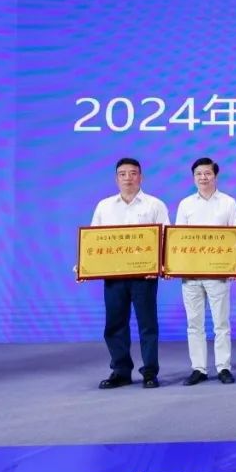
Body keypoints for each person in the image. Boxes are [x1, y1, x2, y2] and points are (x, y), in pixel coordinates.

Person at [89, 158, 170, 389]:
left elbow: (166, 239)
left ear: (140, 177)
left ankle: (150, 372)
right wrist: (86, 265)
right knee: (115, 324)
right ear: (116, 179)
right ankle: (121, 371)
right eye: (123, 174)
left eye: (133, 173)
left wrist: (161, 266)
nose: (128, 178)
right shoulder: (104, 206)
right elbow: (93, 241)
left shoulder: (155, 205)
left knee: (148, 325)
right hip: (114, 276)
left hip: (145, 276)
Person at [175, 157, 236, 386]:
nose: (203, 177)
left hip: (218, 274)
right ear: (193, 177)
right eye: (198, 174)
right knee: (194, 323)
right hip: (191, 275)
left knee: (221, 323)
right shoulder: (185, 204)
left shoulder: (228, 203)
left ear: (215, 176)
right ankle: (199, 369)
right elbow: (178, 240)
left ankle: (223, 367)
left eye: (207, 173)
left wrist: (232, 266)